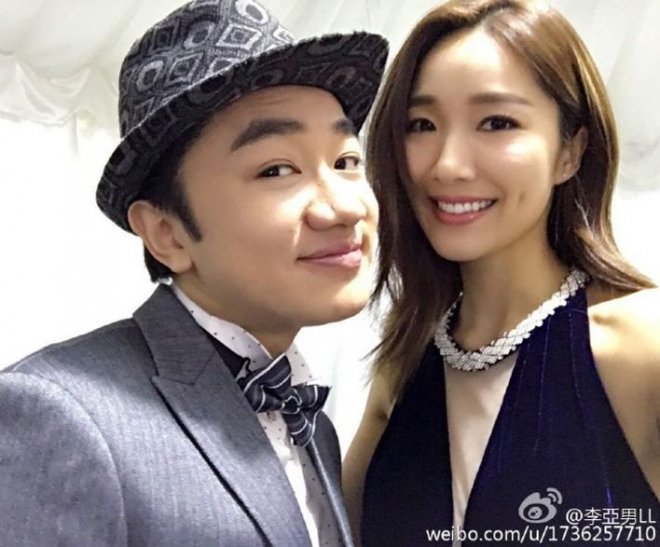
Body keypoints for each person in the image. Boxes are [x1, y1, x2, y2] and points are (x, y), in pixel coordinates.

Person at [0, 1, 388, 545]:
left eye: (346, 161)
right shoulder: (60, 415)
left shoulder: (313, 425)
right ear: (168, 234)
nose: (345, 207)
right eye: (277, 169)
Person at [343, 0, 659, 545]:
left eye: (497, 122)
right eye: (422, 125)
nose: (447, 165)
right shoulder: (405, 361)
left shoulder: (641, 344)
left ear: (570, 151)